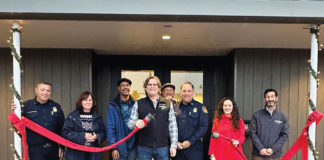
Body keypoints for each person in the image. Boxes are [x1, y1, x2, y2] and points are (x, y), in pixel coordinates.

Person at [128, 76, 178, 160]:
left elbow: (173, 126)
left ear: (159, 88)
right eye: (149, 84)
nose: (152, 86)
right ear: (145, 87)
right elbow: (130, 123)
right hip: (144, 148)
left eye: (155, 84)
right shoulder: (139, 103)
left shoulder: (168, 103)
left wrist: (173, 146)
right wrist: (136, 123)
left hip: (163, 147)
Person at [12, 82, 65, 160]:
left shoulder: (56, 106)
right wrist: (14, 110)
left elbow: (61, 127)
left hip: (53, 148)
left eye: (48, 91)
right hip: (36, 150)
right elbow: (16, 123)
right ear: (36, 90)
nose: (45, 93)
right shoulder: (26, 106)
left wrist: (62, 147)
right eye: (42, 90)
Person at [62, 91, 106, 160]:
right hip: (75, 154)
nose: (88, 102)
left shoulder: (98, 117)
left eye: (90, 100)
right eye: (85, 100)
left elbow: (104, 133)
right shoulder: (72, 116)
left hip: (93, 155)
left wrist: (97, 136)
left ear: (93, 102)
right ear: (81, 102)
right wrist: (83, 136)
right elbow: (65, 133)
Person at [249, 89, 289, 160]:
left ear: (276, 98)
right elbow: (252, 133)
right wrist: (261, 148)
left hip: (275, 156)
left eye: (272, 96)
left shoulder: (282, 116)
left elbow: (284, 135)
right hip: (258, 155)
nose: (270, 99)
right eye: (267, 97)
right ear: (264, 99)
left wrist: (273, 149)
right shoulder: (256, 115)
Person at [173, 82, 209, 160]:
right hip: (177, 149)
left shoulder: (200, 107)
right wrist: (174, 142)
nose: (186, 93)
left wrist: (190, 142)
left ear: (193, 93)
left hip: (194, 149)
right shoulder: (174, 107)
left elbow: (203, 127)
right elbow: (168, 126)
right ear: (180, 93)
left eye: (189, 91)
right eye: (184, 91)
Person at [106, 78, 137, 160]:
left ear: (130, 87)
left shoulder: (135, 104)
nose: (125, 87)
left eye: (127, 85)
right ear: (119, 88)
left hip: (133, 147)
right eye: (123, 85)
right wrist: (113, 147)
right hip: (119, 146)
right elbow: (110, 127)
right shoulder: (113, 106)